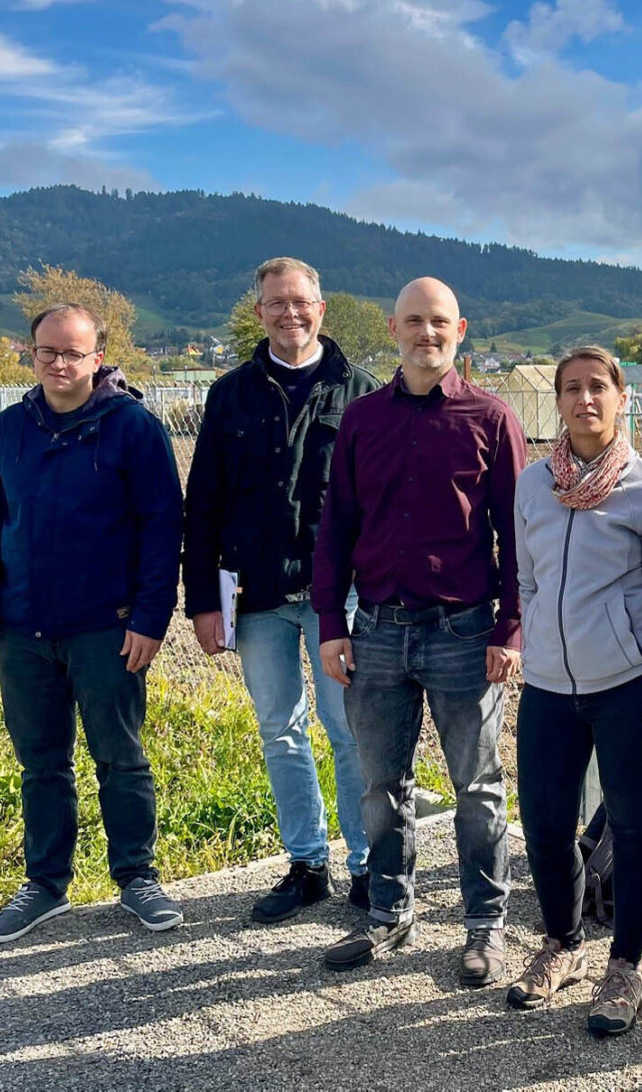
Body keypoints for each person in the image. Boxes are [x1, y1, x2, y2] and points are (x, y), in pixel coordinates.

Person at [312, 276, 525, 988]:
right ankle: (389, 915)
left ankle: (484, 929)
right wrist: (330, 623)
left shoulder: (491, 419)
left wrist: (510, 630)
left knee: (478, 788)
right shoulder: (364, 421)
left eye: (438, 322)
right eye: (413, 322)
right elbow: (336, 526)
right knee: (382, 785)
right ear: (393, 327)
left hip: (464, 633)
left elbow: (515, 537)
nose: (425, 334)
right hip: (375, 631)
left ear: (460, 328)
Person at [0, 303, 185, 944]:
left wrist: (149, 618)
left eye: (73, 352)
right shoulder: (10, 428)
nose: (59, 363)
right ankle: (45, 885)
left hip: (107, 630)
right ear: (30, 354)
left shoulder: (133, 428)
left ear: (98, 356)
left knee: (121, 757)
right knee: (41, 761)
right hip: (23, 630)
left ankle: (137, 877)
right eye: (47, 352)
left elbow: (162, 527)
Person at [182, 257, 379, 924]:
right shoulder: (230, 395)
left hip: (340, 600)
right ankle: (306, 864)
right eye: (275, 303)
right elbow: (201, 504)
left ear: (321, 309)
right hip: (256, 596)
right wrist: (203, 600)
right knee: (280, 730)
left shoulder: (362, 393)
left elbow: (380, 508)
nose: (289, 313)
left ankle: (367, 865)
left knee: (350, 731)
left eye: (301, 302)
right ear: (259, 311)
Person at [506, 346, 642, 1037]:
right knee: (547, 828)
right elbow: (524, 581)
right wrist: (535, 651)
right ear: (557, 401)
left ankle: (626, 965)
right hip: (550, 689)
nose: (585, 399)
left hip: (627, 689)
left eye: (598, 388)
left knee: (635, 828)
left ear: (622, 397)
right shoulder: (532, 486)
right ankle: (561, 945)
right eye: (572, 389)